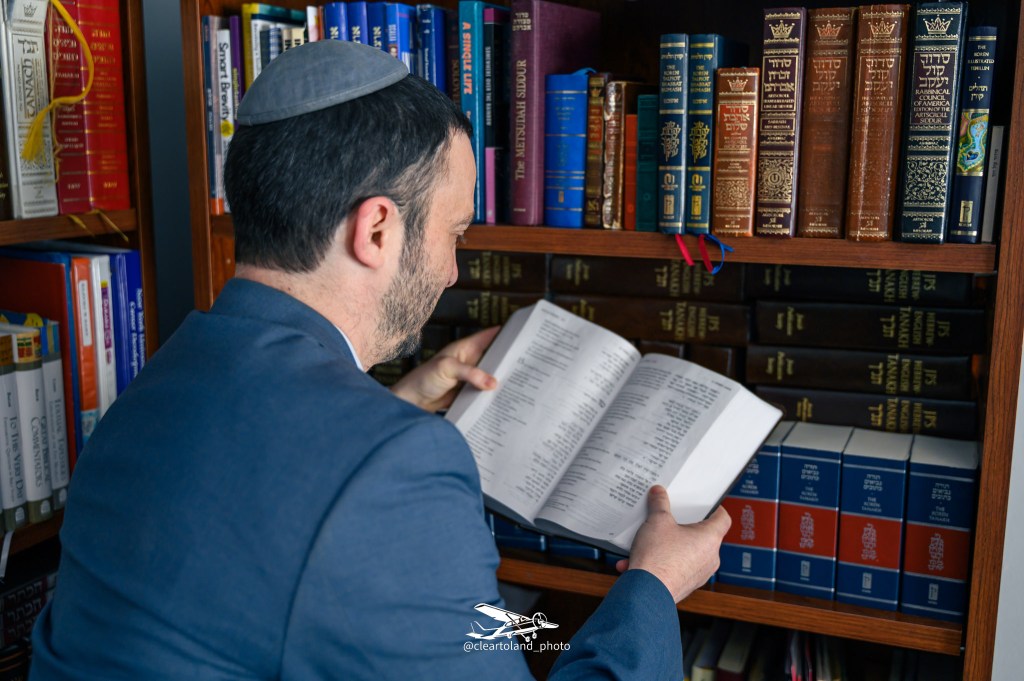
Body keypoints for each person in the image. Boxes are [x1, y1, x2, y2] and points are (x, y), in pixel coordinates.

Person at [30, 40, 730, 680]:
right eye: (455, 233)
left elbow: (270, 539)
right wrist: (654, 586)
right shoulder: (395, 466)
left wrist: (395, 403)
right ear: (376, 230)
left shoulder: (153, 387)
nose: (453, 272)